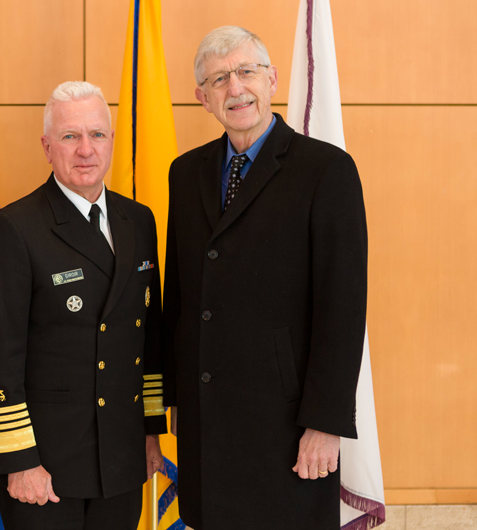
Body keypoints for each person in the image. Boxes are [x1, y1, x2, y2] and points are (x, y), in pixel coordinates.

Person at [162, 26, 368, 529]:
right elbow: (180, 298)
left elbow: (342, 308)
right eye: (218, 79)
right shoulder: (185, 174)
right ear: (202, 98)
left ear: (271, 79)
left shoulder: (327, 170)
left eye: (246, 71)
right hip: (206, 423)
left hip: (286, 428)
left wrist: (325, 422)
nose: (235, 89)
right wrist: (166, 401)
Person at [0, 81, 166, 530]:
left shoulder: (138, 220)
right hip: (46, 466)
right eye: (70, 136)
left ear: (112, 142)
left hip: (122, 457)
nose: (86, 150)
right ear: (46, 146)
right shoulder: (14, 229)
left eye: (97, 135)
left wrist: (150, 430)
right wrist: (18, 460)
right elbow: (0, 357)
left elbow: (147, 336)